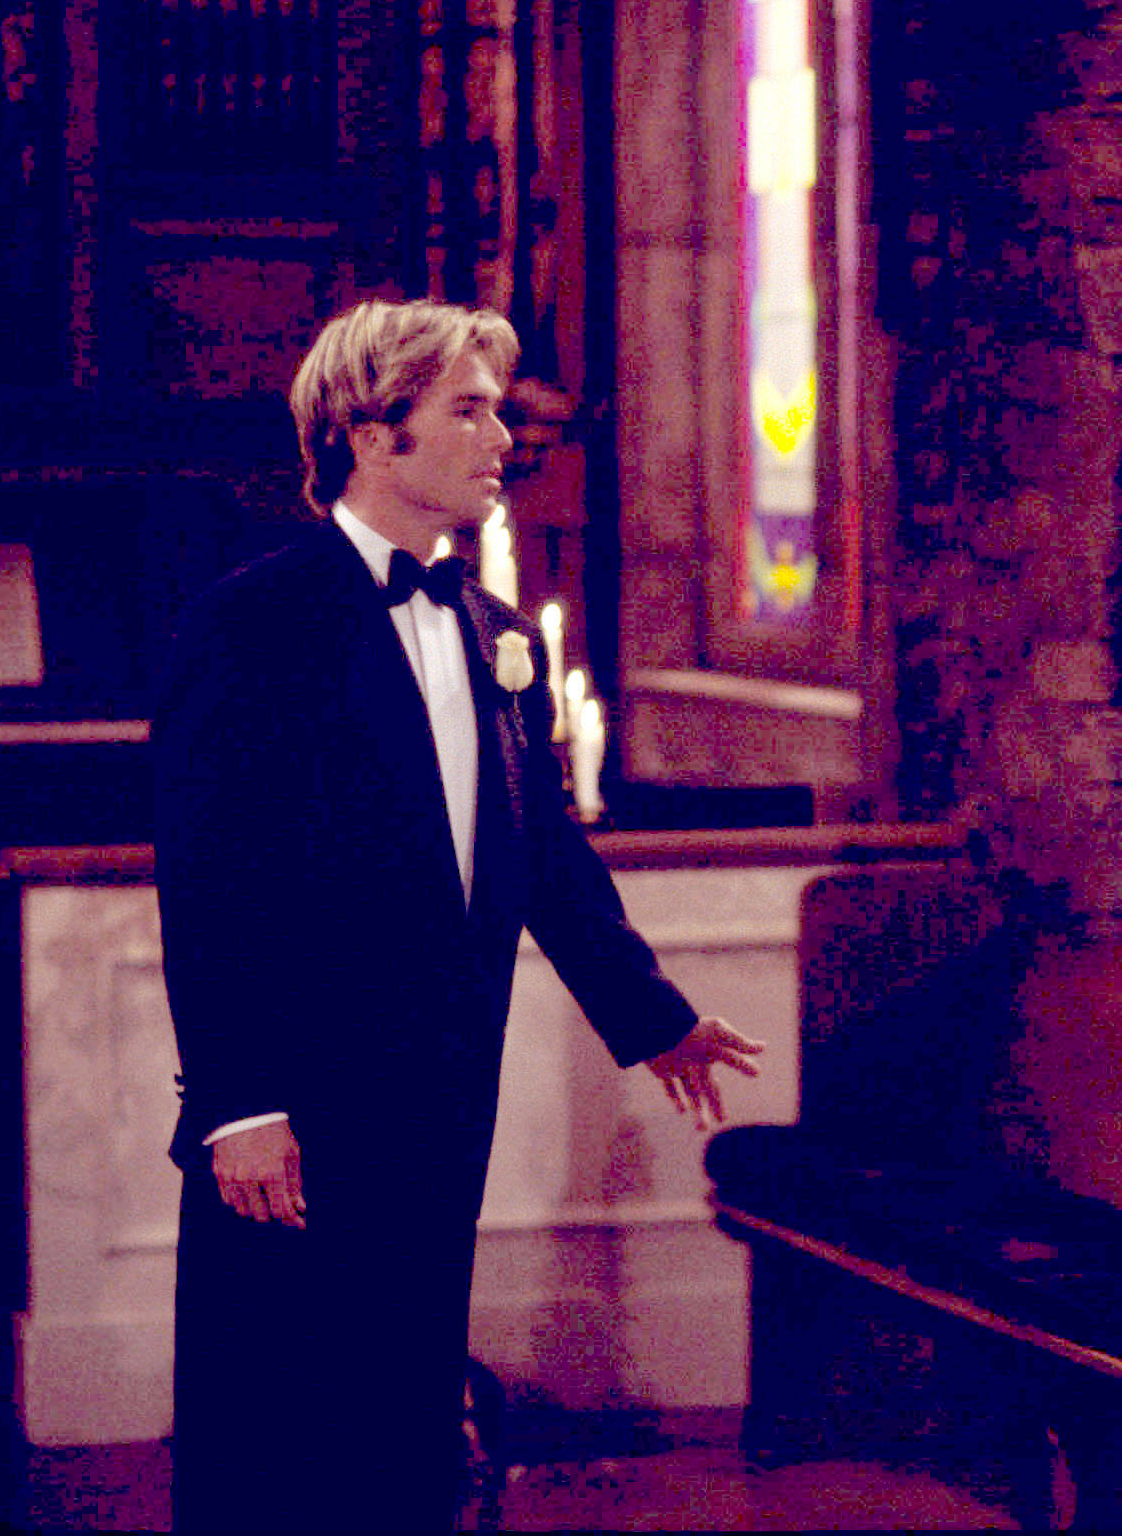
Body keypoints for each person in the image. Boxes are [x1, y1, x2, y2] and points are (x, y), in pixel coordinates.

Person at [154, 299, 767, 1532]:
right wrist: (241, 1103)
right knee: (267, 1414)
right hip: (294, 1106)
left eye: (498, 410)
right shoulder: (252, 619)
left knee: (400, 1403)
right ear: (370, 433)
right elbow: (211, 876)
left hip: (439, 1092)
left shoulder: (496, 633)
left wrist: (652, 1016)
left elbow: (548, 860)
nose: (501, 437)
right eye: (469, 411)